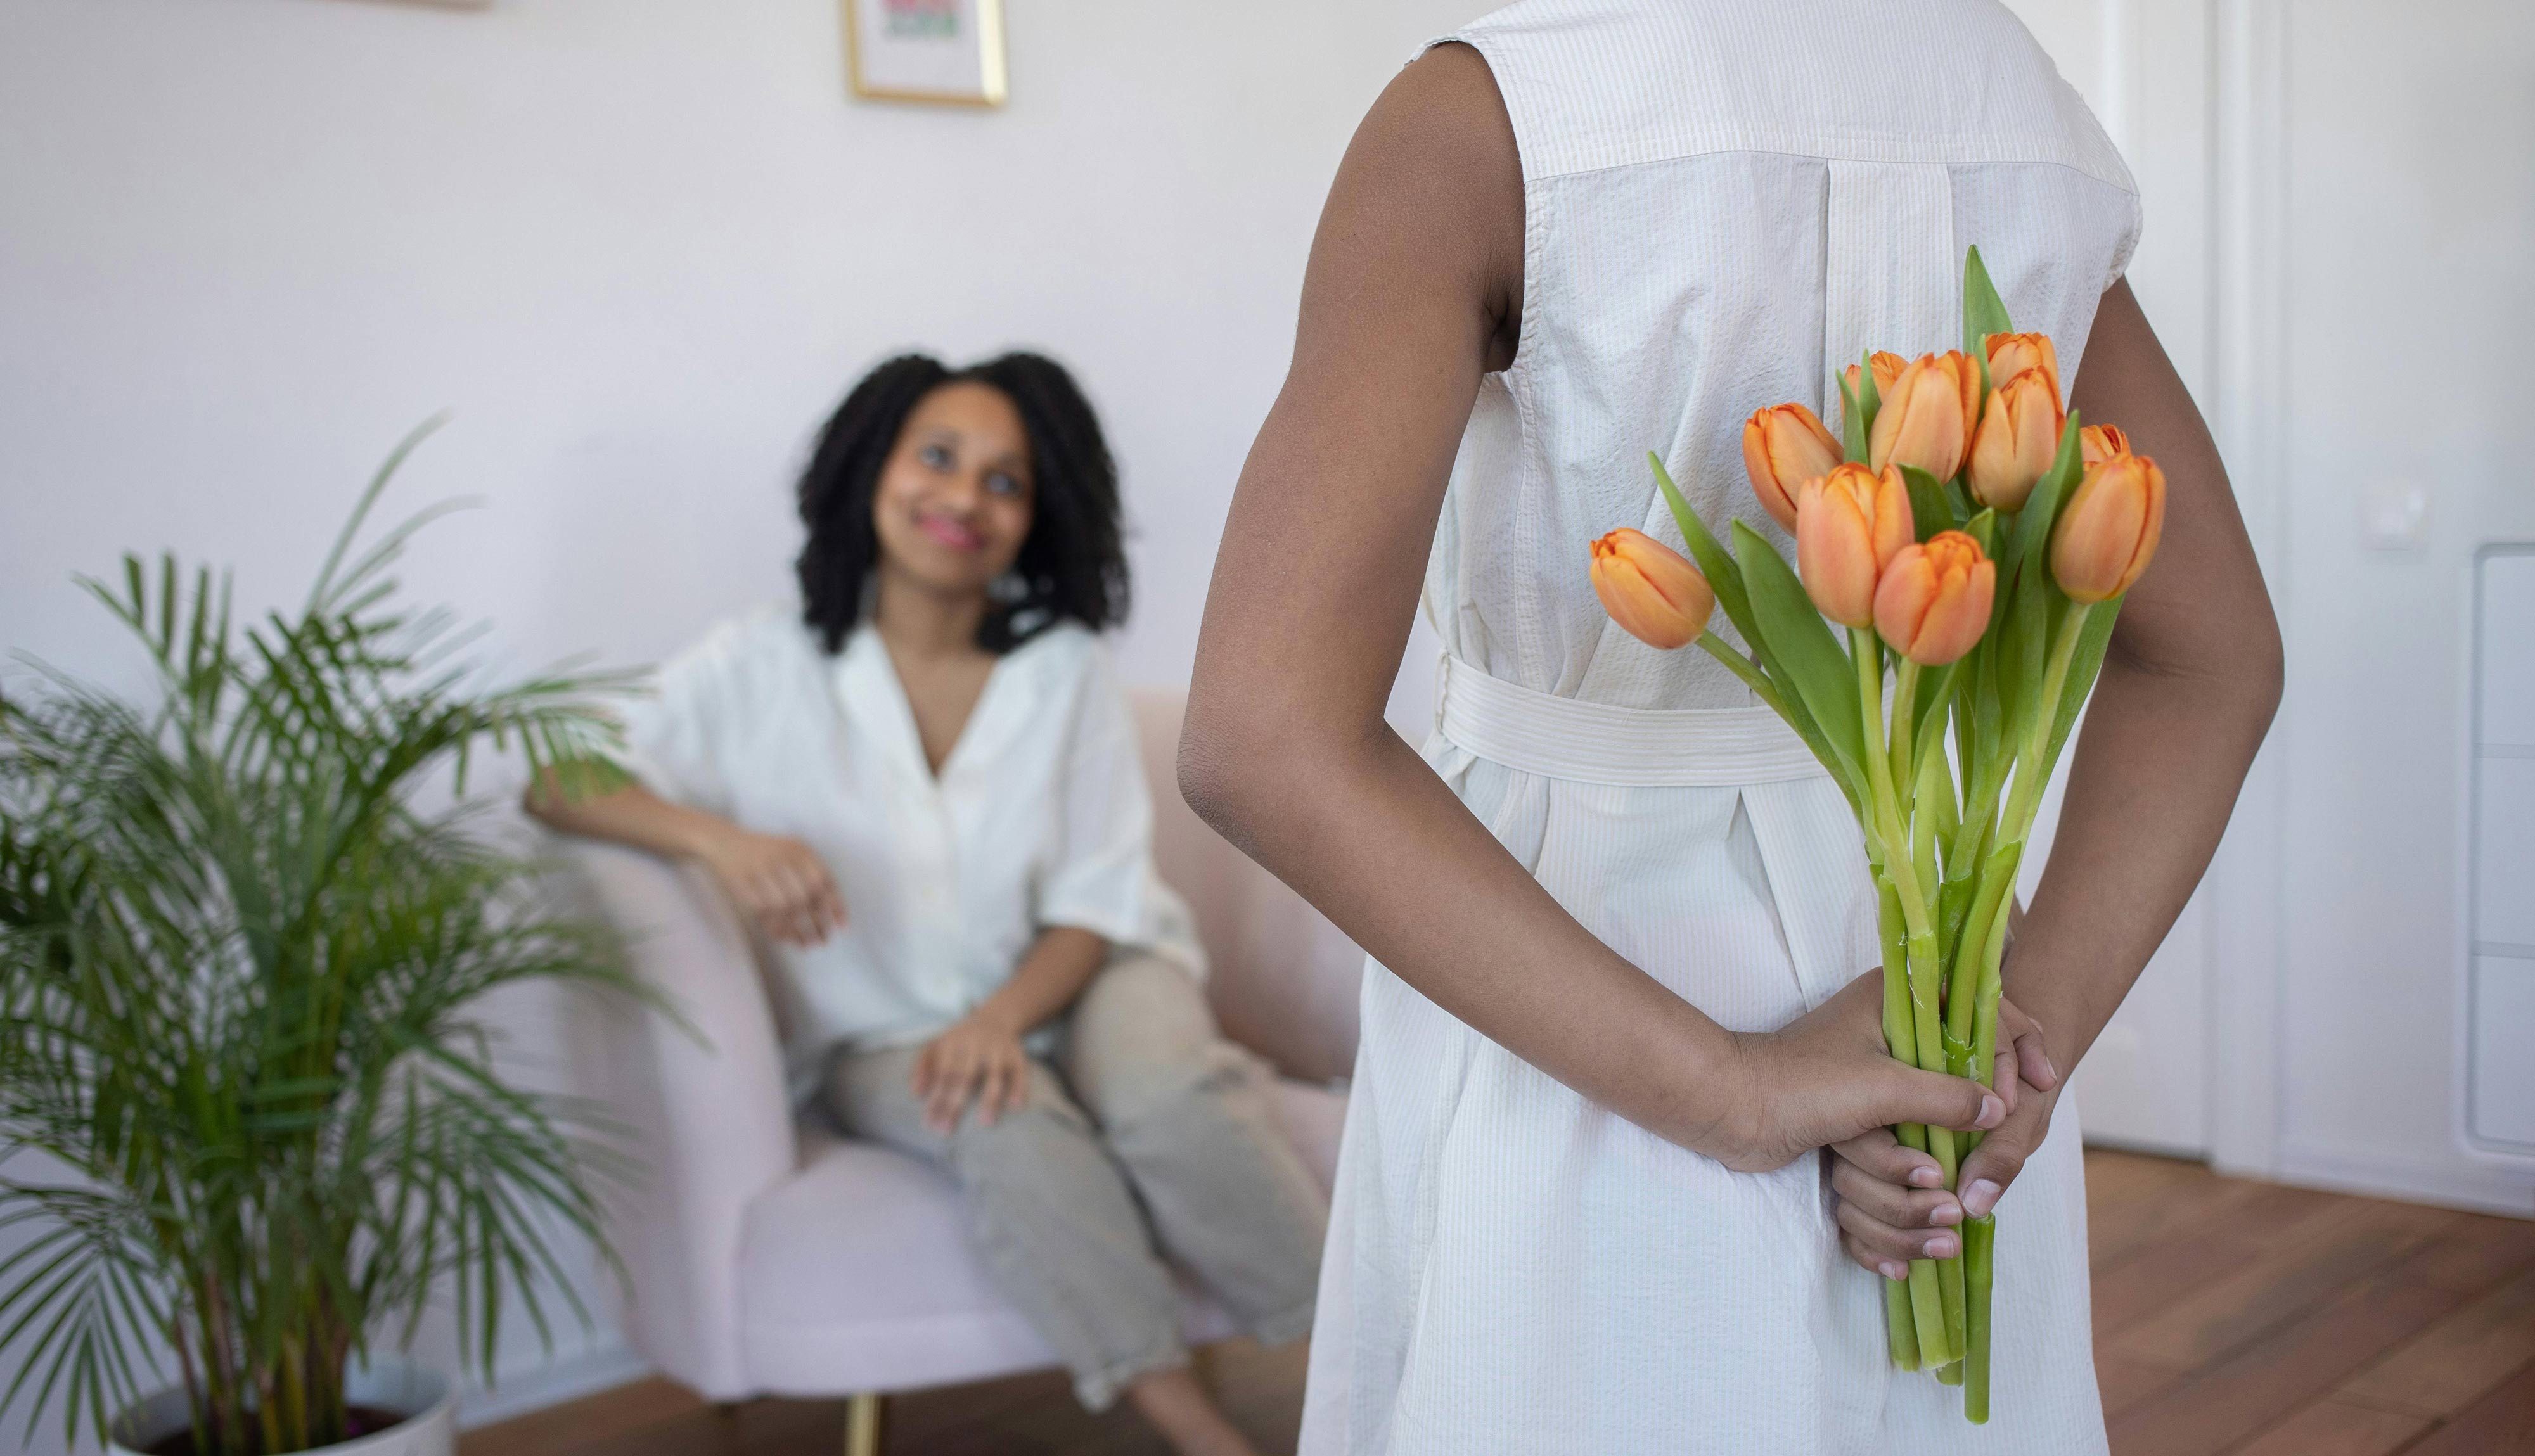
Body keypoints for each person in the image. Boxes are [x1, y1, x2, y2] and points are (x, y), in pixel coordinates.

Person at [1178, 3, 2282, 1453]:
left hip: (1579, 983)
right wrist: (2011, 1051)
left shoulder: (1487, 115)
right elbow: (2215, 661)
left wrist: (1742, 1092)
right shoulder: (2022, 108)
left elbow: (1260, 736)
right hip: (1932, 976)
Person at [530, 352, 1327, 1456]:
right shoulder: (759, 663)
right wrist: (719, 839)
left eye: (1005, 481)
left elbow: (1096, 898)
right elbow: (557, 775)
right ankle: (1198, 1426)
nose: (965, 498)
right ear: (874, 469)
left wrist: (1003, 1020)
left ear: (1038, 516)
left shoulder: (1062, 668)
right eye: (939, 458)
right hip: (886, 1030)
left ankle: (1359, 1363)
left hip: (1092, 971)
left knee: (1170, 1102)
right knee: (1005, 1125)